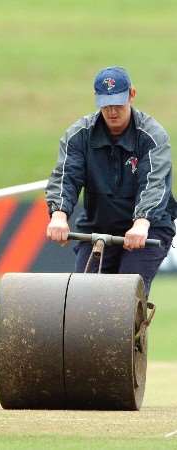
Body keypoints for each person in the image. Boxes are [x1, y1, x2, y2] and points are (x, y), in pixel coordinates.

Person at [46, 66, 177, 295]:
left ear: (132, 95)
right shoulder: (79, 135)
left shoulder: (152, 136)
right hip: (98, 227)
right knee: (83, 298)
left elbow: (154, 183)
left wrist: (142, 222)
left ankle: (133, 326)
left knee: (125, 297)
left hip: (148, 230)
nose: (112, 111)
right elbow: (66, 175)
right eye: (106, 104)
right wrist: (59, 215)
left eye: (118, 103)